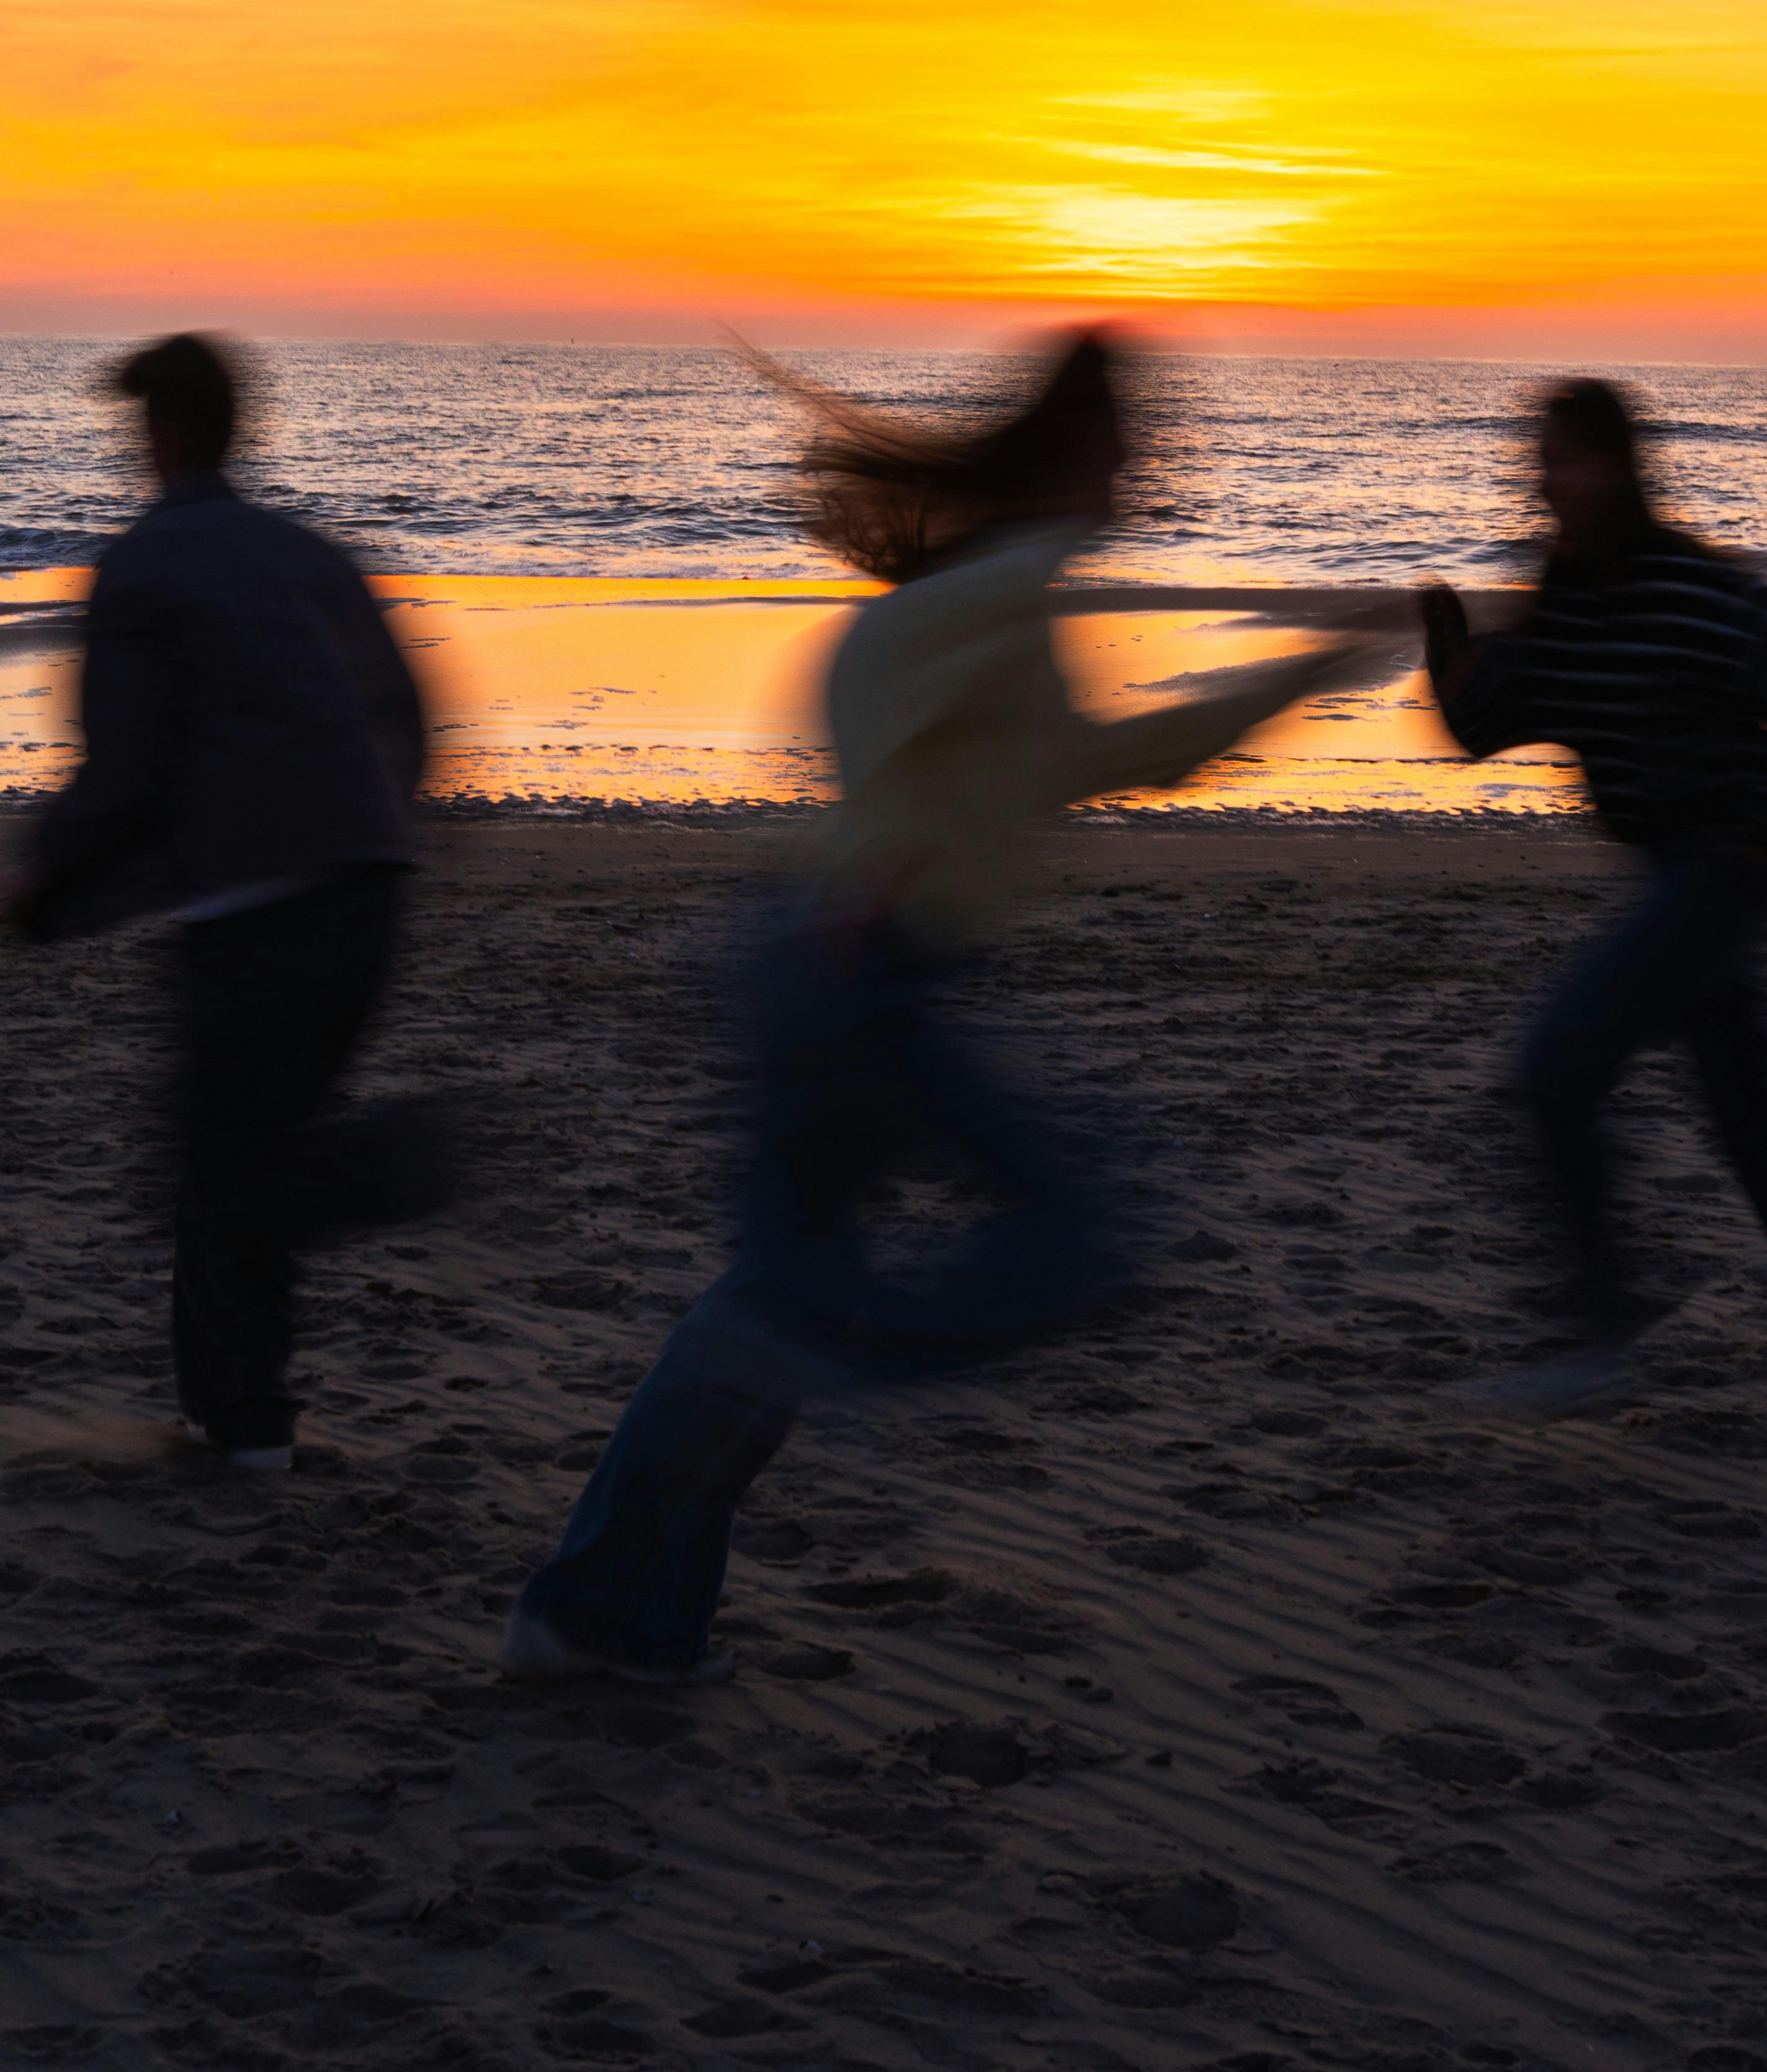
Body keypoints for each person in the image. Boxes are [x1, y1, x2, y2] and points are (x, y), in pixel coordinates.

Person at [501, 328, 1389, 1684]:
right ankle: (819, 1367)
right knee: (1075, 1226)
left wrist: (1298, 675)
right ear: (1084, 449)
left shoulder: (966, 588)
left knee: (771, 1288)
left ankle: (603, 1616)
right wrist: (871, 865)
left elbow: (1058, 749)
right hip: (863, 963)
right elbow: (971, 733)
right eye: (1135, 442)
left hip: (802, 948)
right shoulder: (1005, 589)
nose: (1148, 467)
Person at [1423, 377, 1767, 1417]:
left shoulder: (1695, 589)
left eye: (1565, 457)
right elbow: (1490, 723)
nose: (1545, 480)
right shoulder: (1571, 596)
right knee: (1762, 1109)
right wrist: (1447, 651)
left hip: (1725, 871)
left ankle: (1604, 1328)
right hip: (1671, 873)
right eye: (1539, 459)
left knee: (1556, 1065)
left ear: (1620, 467)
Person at [12, 334, 446, 1474]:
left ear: (158, 434)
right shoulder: (312, 552)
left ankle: (391, 1171)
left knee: (225, 1177)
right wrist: (380, 829)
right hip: (366, 893)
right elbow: (412, 711)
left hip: (258, 910)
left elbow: (123, 764)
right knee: (239, 1159)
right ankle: (242, 1425)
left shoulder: (148, 563)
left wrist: (46, 874)